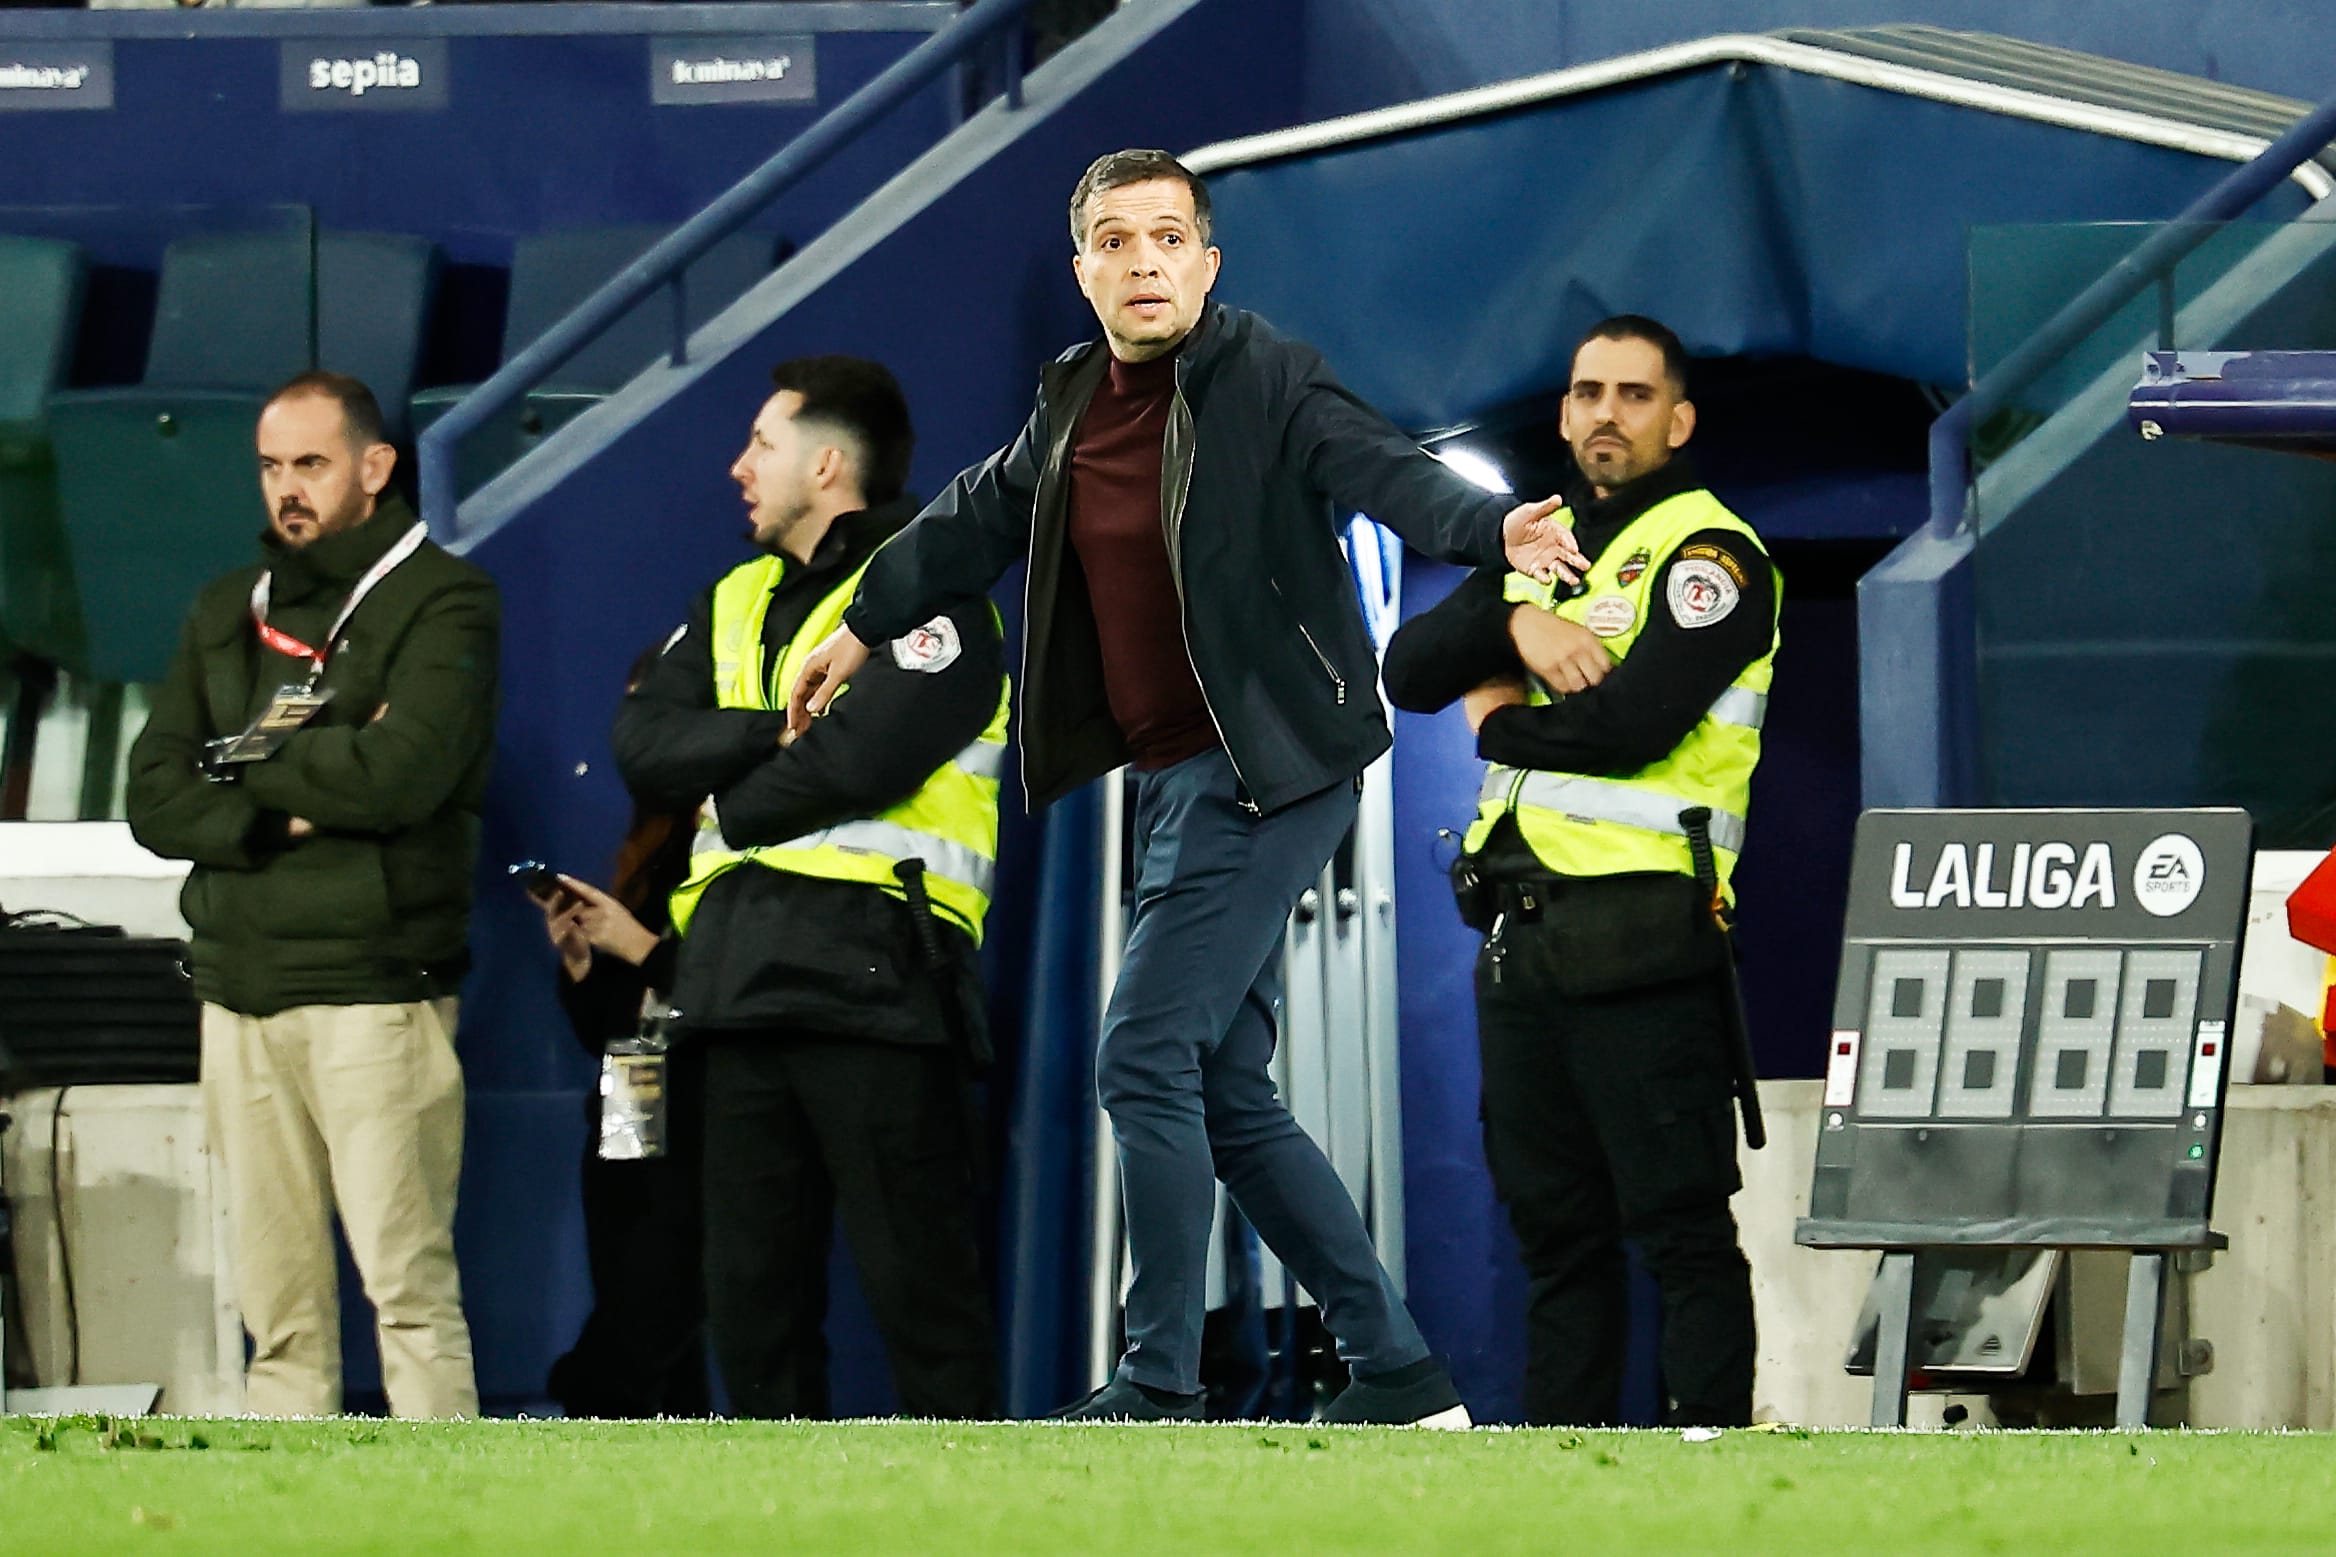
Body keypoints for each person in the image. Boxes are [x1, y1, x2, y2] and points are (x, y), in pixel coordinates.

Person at [785, 148, 1588, 1425]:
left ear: (1206, 266)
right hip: (1172, 776)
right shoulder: (1068, 403)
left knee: (1141, 1055)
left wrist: (1488, 530)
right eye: (1116, 239)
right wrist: (862, 624)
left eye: (1168, 238)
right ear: (1083, 272)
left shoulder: (1265, 375)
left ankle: (1157, 1383)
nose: (1143, 260)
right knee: (1218, 1087)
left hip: (1268, 763)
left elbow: (1378, 464)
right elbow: (972, 520)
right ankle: (1397, 1373)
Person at [1380, 315, 1779, 1428]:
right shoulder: (1537, 543)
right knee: (1552, 1237)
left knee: (1682, 1227)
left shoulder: (1714, 552)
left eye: (1634, 395)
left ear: (1676, 418)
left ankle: (1712, 1472)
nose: (1606, 413)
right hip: (1518, 942)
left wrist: (1496, 723)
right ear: (1561, 413)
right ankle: (1564, 1480)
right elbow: (1407, 669)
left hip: (1646, 934)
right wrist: (1511, 621)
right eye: (1587, 392)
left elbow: (1629, 726)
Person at [611, 355, 1007, 1420]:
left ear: (827, 463)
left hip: (874, 988)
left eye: (760, 444)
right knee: (750, 1314)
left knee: (924, 1303)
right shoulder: (731, 598)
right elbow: (645, 745)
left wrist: (727, 805)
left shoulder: (934, 592)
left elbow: (868, 756)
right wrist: (774, 731)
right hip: (729, 996)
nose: (739, 467)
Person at [126, 370, 497, 1419]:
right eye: (271, 467)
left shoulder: (448, 599)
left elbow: (403, 776)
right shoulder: (223, 608)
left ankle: (451, 1525)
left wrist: (231, 770)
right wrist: (280, 799)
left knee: (409, 1296)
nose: (287, 488)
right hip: (238, 991)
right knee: (276, 1317)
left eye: (312, 464)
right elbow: (154, 796)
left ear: (375, 467)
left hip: (374, 993)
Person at [531, 648, 710, 1420]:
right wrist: (580, 959)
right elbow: (613, 1025)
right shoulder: (650, 838)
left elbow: (734, 987)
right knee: (629, 1278)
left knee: (659, 1298)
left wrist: (641, 945)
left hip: (704, 1106)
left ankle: (590, 1398)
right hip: (630, 1099)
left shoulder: (743, 825)